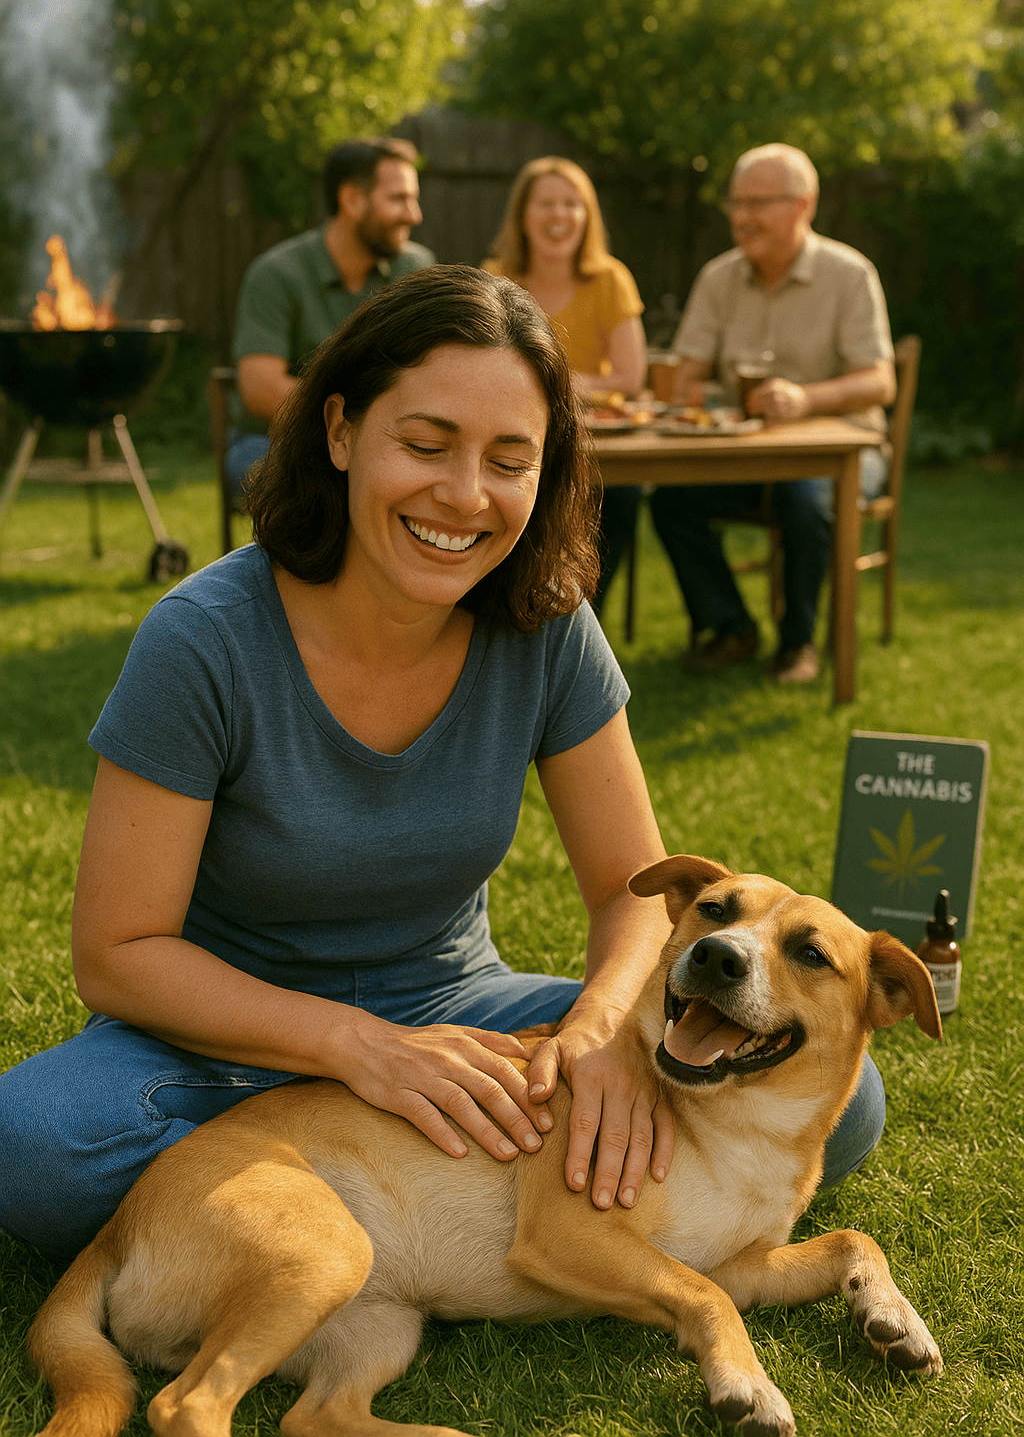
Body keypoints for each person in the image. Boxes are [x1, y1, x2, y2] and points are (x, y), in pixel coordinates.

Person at [0, 268, 884, 1265]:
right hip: (220, 1044)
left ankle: (386, 1194)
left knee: (847, 1098)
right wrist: (359, 1051)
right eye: (425, 446)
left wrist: (596, 1033)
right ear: (341, 431)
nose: (465, 496)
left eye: (510, 461)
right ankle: (337, 1176)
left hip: (461, 1015)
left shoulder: (546, 625)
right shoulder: (203, 640)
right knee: (34, 1145)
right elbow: (119, 951)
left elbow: (631, 890)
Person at [649, 144, 896, 684]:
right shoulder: (718, 278)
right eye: (735, 203)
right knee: (671, 501)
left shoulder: (850, 274)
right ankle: (731, 627)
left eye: (758, 203)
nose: (742, 217)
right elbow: (686, 379)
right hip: (748, 452)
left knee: (803, 498)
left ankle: (798, 643)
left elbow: (881, 381)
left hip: (844, 454)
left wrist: (806, 399)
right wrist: (708, 397)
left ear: (803, 205)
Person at [482, 157, 647, 618]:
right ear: (523, 216)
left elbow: (631, 378)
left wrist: (559, 384)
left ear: (587, 216)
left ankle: (584, 617)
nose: (560, 215)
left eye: (572, 204)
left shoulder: (610, 278)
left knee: (624, 494)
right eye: (546, 203)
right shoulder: (494, 276)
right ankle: (515, 606)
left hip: (595, 436)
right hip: (514, 433)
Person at [226, 136, 435, 495]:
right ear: (352, 200)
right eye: (398, 199)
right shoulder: (276, 274)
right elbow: (260, 388)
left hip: (393, 438)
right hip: (275, 439)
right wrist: (356, 431)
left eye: (413, 198)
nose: (414, 215)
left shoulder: (416, 269)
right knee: (311, 486)